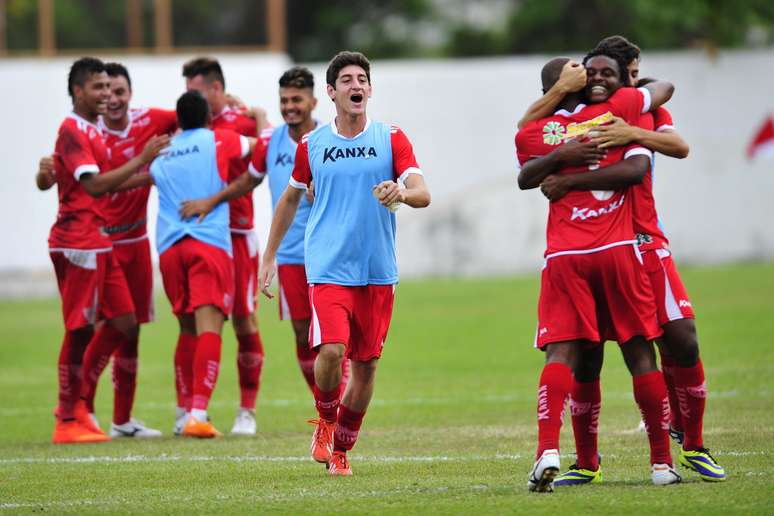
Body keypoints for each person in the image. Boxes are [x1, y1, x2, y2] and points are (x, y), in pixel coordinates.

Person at [536, 36, 724, 484]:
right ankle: (587, 462)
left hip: (645, 244)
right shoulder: (579, 117)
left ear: (633, 73)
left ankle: (691, 442)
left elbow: (678, 146)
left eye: (619, 72)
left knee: (682, 341)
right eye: (594, 73)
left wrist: (634, 133)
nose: (606, 80)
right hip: (598, 246)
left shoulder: (644, 109)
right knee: (588, 356)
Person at [258, 51, 430, 476]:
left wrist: (401, 194)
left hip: (377, 270)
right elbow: (290, 197)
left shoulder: (391, 137)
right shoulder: (312, 145)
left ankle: (341, 450)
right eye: (347, 80)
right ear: (332, 93)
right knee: (332, 350)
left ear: (369, 89)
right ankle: (326, 420)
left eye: (362, 79)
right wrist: (269, 257)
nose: (357, 86)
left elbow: (422, 192)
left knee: (367, 366)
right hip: (328, 266)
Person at [515, 50, 680, 490]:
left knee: (563, 354)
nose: (595, 79)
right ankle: (662, 464)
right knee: (640, 351)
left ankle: (548, 450)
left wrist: (562, 166)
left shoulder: (541, 129)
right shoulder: (619, 109)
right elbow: (660, 98)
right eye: (587, 74)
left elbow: (526, 171)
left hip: (566, 256)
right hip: (619, 249)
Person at [180, 66, 350, 398]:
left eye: (297, 100)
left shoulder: (332, 138)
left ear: (314, 102)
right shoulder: (270, 140)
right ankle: (325, 406)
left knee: (333, 337)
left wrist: (328, 189)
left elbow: (352, 182)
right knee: (303, 334)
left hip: (331, 251)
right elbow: (249, 178)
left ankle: (340, 407)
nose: (290, 106)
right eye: (284, 100)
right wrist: (210, 201)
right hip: (289, 254)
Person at [47, 57, 168, 444]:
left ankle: (80, 408)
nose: (104, 94)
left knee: (125, 322)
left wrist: (149, 175)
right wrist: (142, 159)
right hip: (76, 239)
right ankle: (67, 417)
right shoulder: (72, 129)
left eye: (110, 87)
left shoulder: (92, 128)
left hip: (99, 239)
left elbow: (107, 185)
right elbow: (94, 186)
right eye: (97, 87)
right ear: (78, 91)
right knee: (79, 328)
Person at [149, 90, 255, 438]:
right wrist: (258, 116)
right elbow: (260, 148)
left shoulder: (161, 155)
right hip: (207, 243)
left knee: (186, 329)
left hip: (169, 249)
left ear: (178, 121)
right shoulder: (218, 140)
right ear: (208, 117)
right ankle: (197, 413)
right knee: (210, 326)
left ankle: (182, 414)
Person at [181, 57, 267, 435]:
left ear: (216, 89)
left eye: (196, 91)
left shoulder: (240, 121)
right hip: (200, 237)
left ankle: (246, 411)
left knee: (244, 320)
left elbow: (272, 147)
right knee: (196, 322)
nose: (190, 99)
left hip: (238, 233)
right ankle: (191, 411)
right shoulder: (186, 123)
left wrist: (256, 111)